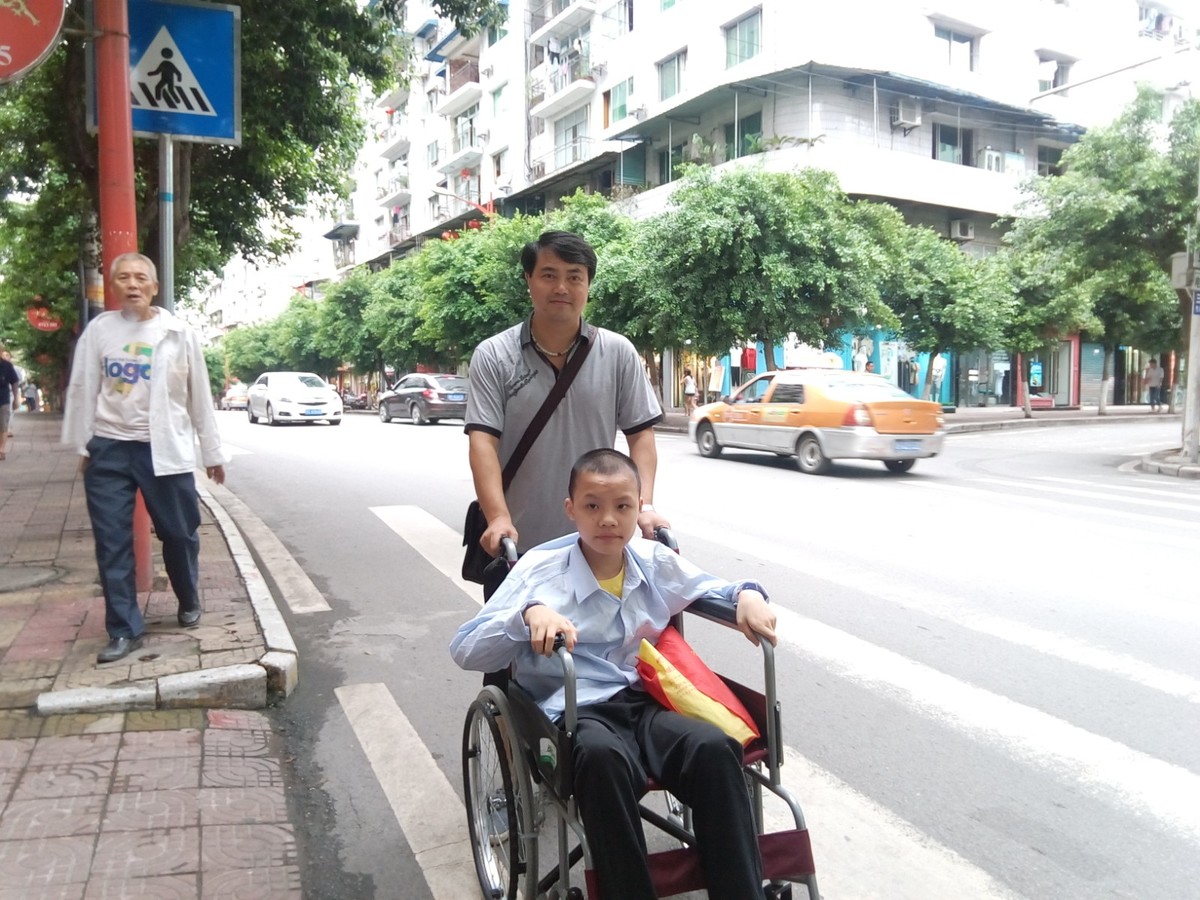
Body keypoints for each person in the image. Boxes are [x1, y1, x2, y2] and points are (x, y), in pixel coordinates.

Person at [450, 449, 777, 900]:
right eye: (593, 506)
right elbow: (465, 648)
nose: (608, 519)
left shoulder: (652, 560)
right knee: (602, 759)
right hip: (577, 712)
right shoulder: (538, 572)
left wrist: (748, 595)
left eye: (622, 506)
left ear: (638, 507)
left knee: (714, 748)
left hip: (646, 703)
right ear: (571, 510)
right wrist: (527, 616)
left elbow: (716, 587)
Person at [465, 230, 670, 592]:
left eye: (574, 277)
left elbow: (641, 436)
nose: (562, 287)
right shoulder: (493, 355)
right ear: (529, 280)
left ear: (588, 285)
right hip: (517, 549)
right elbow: (483, 443)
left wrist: (644, 505)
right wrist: (497, 517)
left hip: (597, 548)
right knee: (520, 630)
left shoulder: (618, 352)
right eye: (549, 275)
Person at [62, 252, 228, 664]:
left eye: (140, 277)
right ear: (113, 287)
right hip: (110, 448)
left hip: (165, 448)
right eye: (123, 278)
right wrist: (84, 446)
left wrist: (212, 453)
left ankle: (188, 596)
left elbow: (199, 395)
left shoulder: (178, 332)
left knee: (180, 533)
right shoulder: (99, 331)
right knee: (112, 542)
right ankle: (123, 629)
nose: (132, 284)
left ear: (154, 287)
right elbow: (83, 388)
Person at [0, 345, 19, 460]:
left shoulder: (7, 366)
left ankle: (1, 449)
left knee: (3, 425)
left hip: (4, 400)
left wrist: (16, 398)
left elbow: (14, 382)